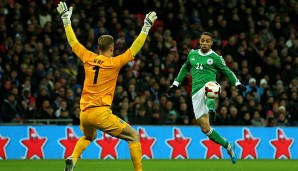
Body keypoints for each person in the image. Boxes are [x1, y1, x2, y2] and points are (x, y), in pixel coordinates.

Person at [56, 2, 157, 171]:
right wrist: (146, 27)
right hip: (101, 113)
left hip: (84, 113)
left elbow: (73, 42)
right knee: (134, 136)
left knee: (89, 136)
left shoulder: (87, 57)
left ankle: (73, 158)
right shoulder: (114, 63)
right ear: (112, 48)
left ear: (98, 48)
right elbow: (134, 48)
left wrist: (66, 21)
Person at [167, 32, 246, 164]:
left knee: (211, 89)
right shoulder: (192, 54)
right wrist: (175, 84)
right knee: (205, 129)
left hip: (210, 85)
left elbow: (227, 71)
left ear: (211, 43)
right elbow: (185, 67)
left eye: (207, 41)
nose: (204, 43)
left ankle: (211, 109)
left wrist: (237, 83)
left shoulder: (216, 57)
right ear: (199, 41)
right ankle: (228, 146)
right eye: (202, 41)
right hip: (195, 93)